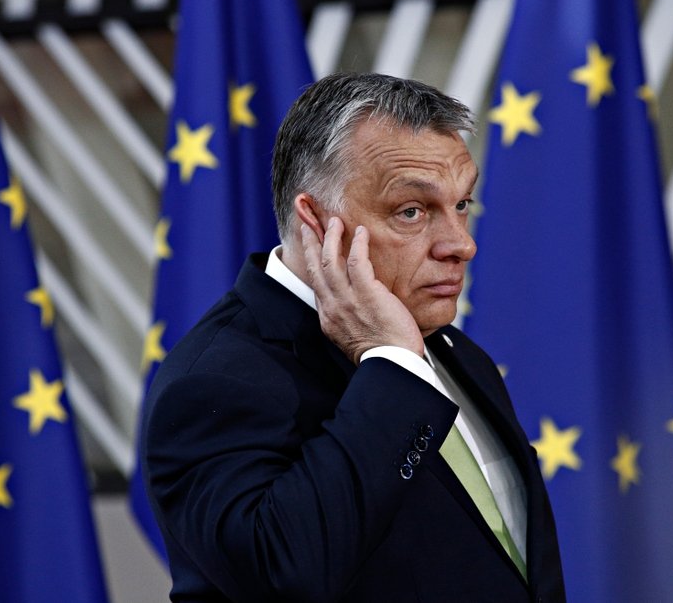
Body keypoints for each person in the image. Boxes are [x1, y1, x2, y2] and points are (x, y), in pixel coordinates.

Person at [141, 72, 566, 602]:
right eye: (412, 211)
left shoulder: (459, 354)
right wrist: (389, 364)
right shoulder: (213, 380)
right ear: (316, 222)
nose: (460, 244)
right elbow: (282, 578)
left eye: (462, 206)